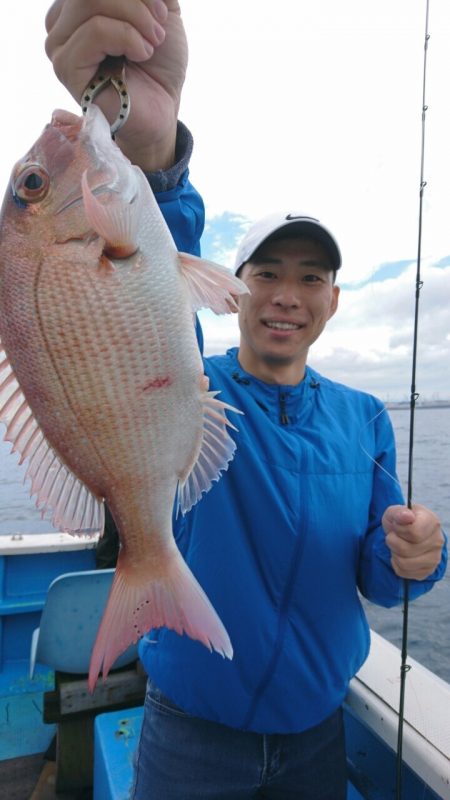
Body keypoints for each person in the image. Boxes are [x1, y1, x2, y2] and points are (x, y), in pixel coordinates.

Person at [45, 3, 447, 799]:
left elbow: (376, 572)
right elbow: (142, 296)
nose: (287, 297)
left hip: (315, 735)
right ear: (234, 287)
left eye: (310, 279)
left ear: (334, 301)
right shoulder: (196, 383)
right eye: (267, 274)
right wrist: (152, 153)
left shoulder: (363, 419)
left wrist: (417, 558)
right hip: (191, 733)